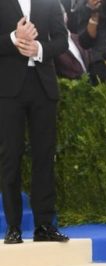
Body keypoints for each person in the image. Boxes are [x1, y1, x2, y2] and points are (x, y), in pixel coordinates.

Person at [0, 0, 69, 244]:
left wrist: (38, 48)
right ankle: (13, 227)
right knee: (11, 156)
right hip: (9, 90)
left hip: (43, 86)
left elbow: (62, 40)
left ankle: (44, 226)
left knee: (44, 156)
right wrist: (14, 38)